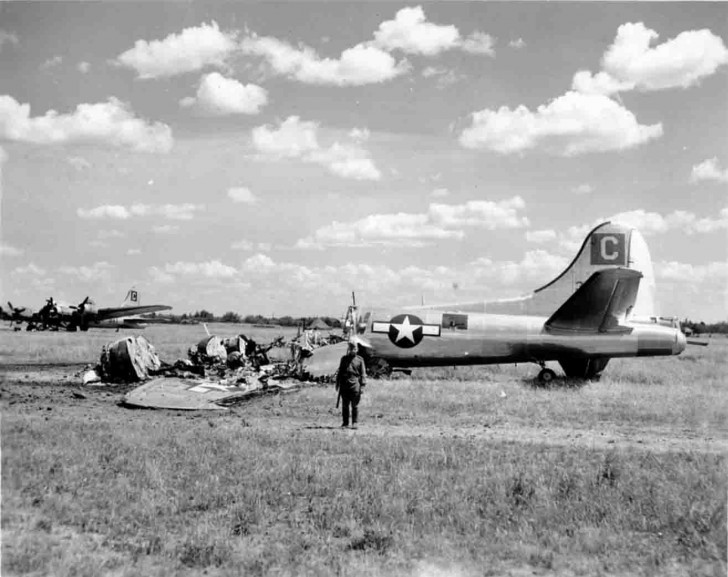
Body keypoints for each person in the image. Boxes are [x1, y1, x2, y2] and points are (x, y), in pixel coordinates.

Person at [336, 341, 367, 429]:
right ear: (349, 349)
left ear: (357, 349)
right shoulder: (344, 359)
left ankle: (355, 423)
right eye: (352, 349)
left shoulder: (360, 359)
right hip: (344, 384)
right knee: (345, 405)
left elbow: (363, 374)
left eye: (355, 349)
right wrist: (337, 383)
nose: (354, 350)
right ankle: (345, 423)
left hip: (355, 384)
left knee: (355, 405)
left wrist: (363, 385)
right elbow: (340, 371)